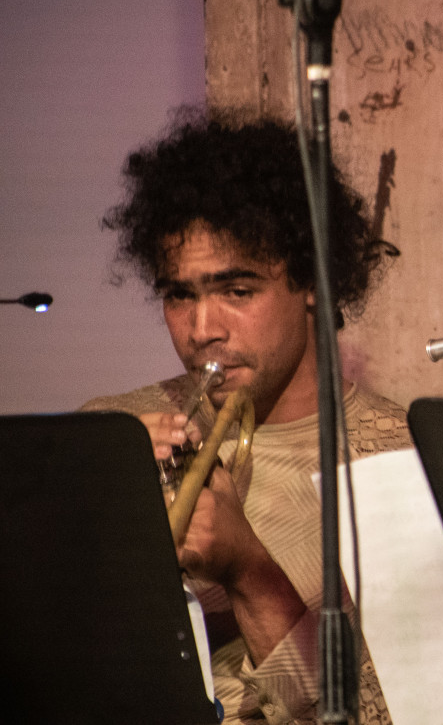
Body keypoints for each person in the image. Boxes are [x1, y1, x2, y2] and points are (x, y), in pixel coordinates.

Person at [83, 109, 407, 724]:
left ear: (312, 280)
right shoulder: (109, 429)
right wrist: (92, 511)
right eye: (180, 294)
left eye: (237, 291)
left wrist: (249, 570)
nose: (202, 330)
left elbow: (378, 714)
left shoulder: (400, 460)